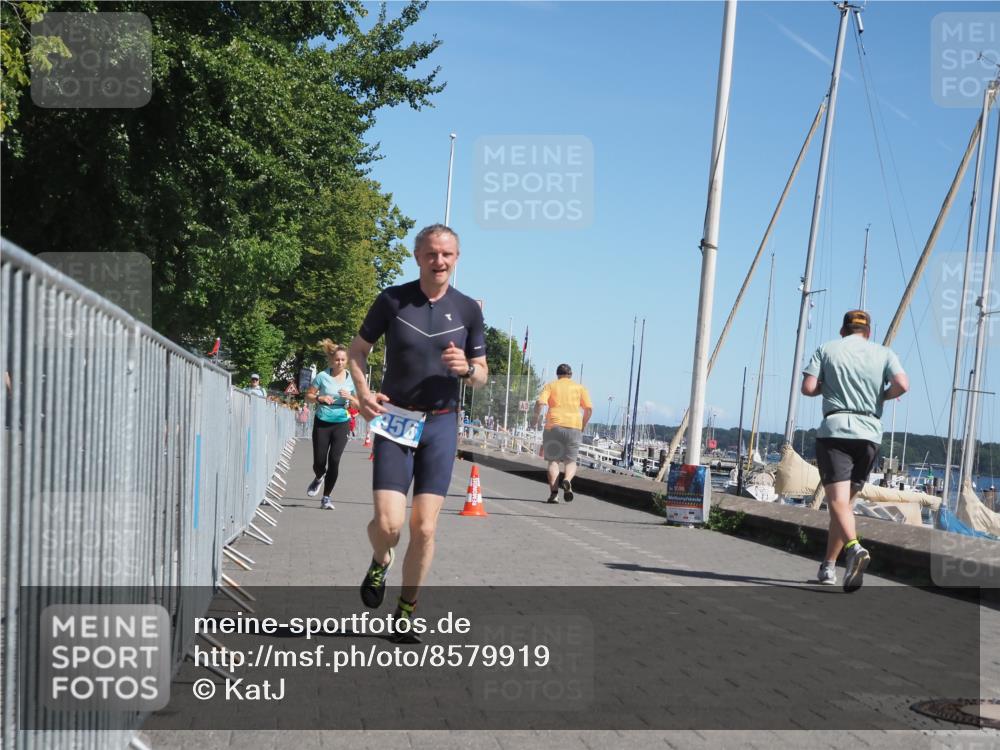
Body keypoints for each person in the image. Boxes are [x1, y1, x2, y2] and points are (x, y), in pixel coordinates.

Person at [348, 224, 487, 642]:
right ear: (417, 256)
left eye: (447, 254)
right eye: (431, 254)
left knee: (424, 527)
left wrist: (467, 369)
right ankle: (380, 558)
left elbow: (481, 374)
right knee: (389, 526)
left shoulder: (468, 310)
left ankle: (406, 610)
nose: (439, 261)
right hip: (395, 418)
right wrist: (361, 392)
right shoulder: (392, 299)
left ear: (457, 258)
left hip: (441, 423)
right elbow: (357, 351)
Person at [801, 309, 908, 592]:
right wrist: (880, 396)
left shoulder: (827, 349)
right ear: (868, 332)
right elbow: (902, 385)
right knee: (844, 506)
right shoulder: (884, 353)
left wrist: (829, 387)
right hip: (870, 433)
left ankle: (855, 548)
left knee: (835, 502)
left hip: (836, 430)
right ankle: (828, 566)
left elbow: (808, 387)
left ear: (842, 330)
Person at [305, 340, 360, 510]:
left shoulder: (352, 379)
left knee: (334, 460)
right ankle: (319, 476)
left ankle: (326, 497)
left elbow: (358, 404)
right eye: (337, 360)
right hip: (322, 421)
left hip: (341, 422)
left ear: (347, 361)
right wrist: (320, 398)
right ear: (332, 359)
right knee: (319, 462)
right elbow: (308, 396)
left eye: (343, 360)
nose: (340, 363)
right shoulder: (322, 376)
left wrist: (350, 398)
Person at [533, 364, 593, 504]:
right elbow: (589, 409)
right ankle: (567, 480)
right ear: (570, 375)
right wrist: (582, 425)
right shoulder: (580, 388)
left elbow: (541, 403)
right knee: (570, 461)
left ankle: (554, 494)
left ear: (557, 374)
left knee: (553, 461)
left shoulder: (551, 386)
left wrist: (535, 419)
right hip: (574, 426)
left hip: (553, 426)